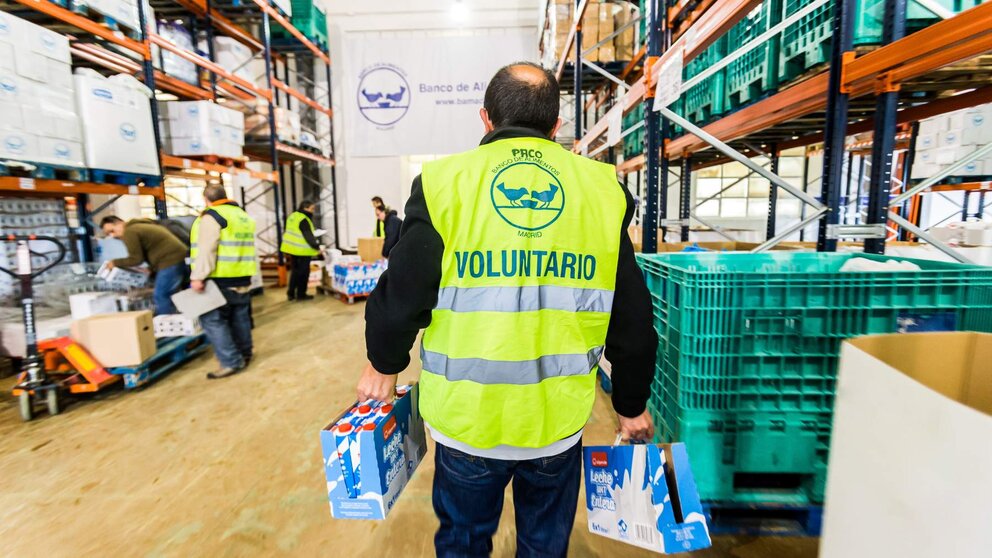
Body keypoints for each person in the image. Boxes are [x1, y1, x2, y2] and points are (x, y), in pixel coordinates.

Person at [357, 62, 658, 557]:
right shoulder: (603, 191)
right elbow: (632, 319)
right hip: (555, 426)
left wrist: (382, 364)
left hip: (468, 424)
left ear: (485, 118)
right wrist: (630, 404)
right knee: (543, 544)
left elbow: (403, 294)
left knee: (465, 541)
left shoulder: (443, 182)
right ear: (556, 127)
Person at [189, 185, 257, 380]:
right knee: (240, 317)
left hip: (220, 278)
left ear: (206, 199)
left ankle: (230, 362)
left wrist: (198, 276)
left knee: (214, 321)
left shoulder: (213, 216)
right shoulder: (242, 215)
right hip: (242, 275)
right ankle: (245, 353)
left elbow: (207, 249)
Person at [100, 215, 188, 315]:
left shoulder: (130, 231)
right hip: (179, 257)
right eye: (108, 234)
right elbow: (153, 248)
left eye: (112, 231)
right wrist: (151, 269)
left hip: (170, 260)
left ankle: (166, 325)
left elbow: (136, 259)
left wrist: (114, 262)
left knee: (161, 295)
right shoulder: (139, 225)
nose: (113, 236)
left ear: (119, 223)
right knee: (174, 294)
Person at [280, 200, 321, 301]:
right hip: (302, 250)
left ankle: (291, 293)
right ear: (305, 208)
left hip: (292, 249)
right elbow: (308, 236)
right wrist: (317, 247)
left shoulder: (293, 216)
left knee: (295, 272)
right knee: (303, 273)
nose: (313, 211)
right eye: (312, 209)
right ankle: (301, 294)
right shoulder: (304, 219)